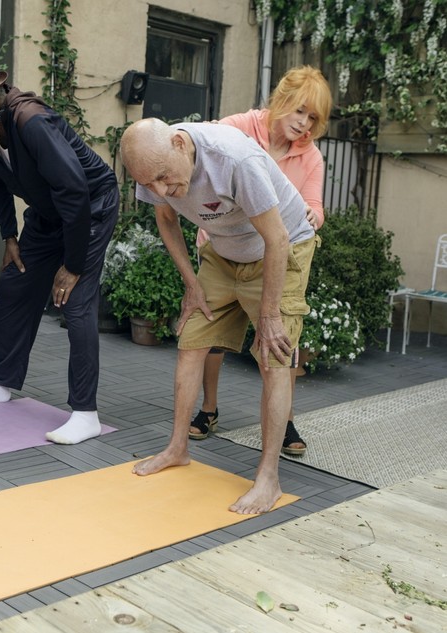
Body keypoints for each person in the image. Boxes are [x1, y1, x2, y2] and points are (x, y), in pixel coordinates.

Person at [120, 118, 317, 514]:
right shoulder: (152, 162)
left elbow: (276, 238)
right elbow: (166, 219)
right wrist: (191, 283)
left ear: (180, 144)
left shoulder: (234, 159)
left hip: (280, 251)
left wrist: (269, 314)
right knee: (191, 342)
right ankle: (177, 448)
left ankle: (268, 478)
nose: (159, 190)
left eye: (162, 179)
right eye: (148, 184)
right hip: (223, 254)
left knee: (273, 356)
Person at [0, 57, 119, 444]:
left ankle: (86, 414)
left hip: (90, 208)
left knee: (77, 302)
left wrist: (72, 263)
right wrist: (11, 237)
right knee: (14, 284)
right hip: (49, 214)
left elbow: (74, 192)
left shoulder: (32, 121)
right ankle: (0, 380)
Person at [190, 66, 333, 457]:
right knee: (210, 337)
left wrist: (311, 215)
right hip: (222, 248)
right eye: (299, 111)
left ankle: (284, 421)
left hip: (274, 254)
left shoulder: (311, 157)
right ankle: (208, 409)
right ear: (280, 100)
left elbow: (316, 207)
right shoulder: (240, 126)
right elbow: (202, 150)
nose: (304, 124)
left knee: (280, 342)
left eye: (313, 118)